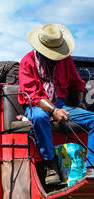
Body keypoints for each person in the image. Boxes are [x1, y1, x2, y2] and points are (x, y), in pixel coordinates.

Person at [18, 23, 94, 185]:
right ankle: (50, 163)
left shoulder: (65, 61)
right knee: (38, 117)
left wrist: (80, 102)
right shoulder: (27, 62)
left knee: (93, 119)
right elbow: (33, 96)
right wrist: (54, 111)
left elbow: (78, 83)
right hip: (36, 106)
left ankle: (91, 166)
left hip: (61, 103)